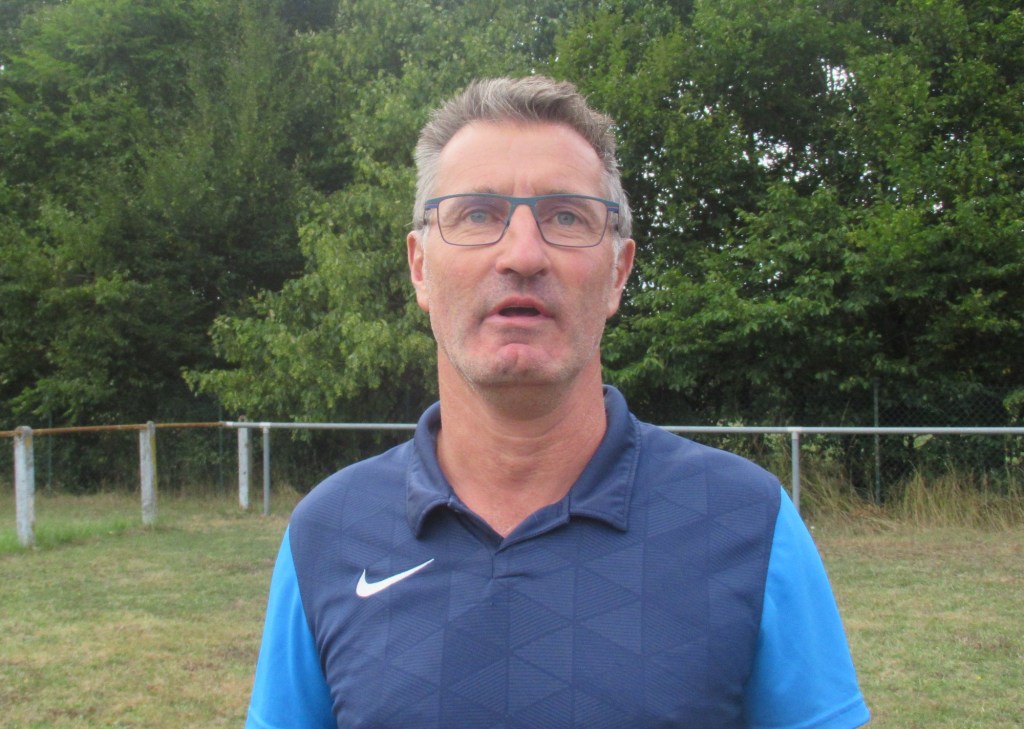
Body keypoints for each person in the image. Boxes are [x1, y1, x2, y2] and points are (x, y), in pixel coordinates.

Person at [245, 76, 870, 729]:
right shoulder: (328, 533)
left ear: (618, 273)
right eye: (477, 214)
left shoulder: (747, 521)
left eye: (566, 217)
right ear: (420, 267)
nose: (522, 255)